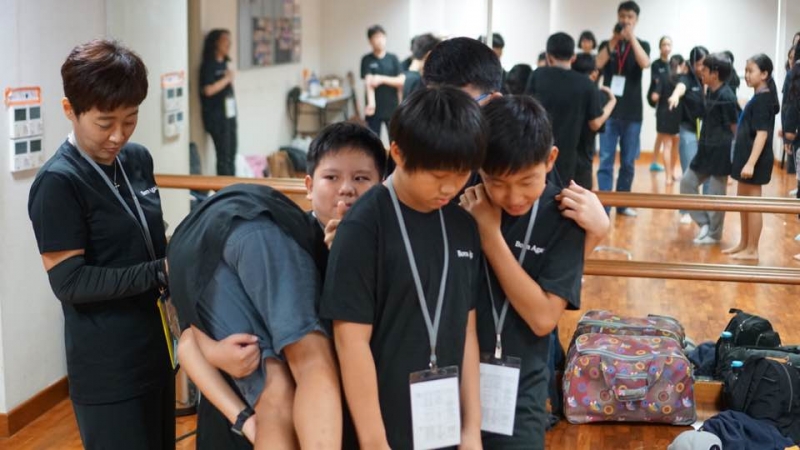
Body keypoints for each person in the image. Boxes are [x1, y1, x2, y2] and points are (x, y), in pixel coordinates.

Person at [172, 122, 387, 449]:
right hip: (239, 422)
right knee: (306, 364)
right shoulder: (281, 237)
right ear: (309, 186)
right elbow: (188, 339)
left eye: (361, 178)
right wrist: (216, 354)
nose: (346, 189)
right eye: (332, 178)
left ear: (381, 186)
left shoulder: (387, 252)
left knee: (283, 384)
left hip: (304, 422)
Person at [320, 87, 486, 449]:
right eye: (437, 174)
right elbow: (351, 343)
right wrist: (374, 442)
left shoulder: (463, 225)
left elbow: (468, 330)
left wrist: (472, 429)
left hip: (445, 427)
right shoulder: (364, 226)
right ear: (397, 153)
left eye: (461, 174)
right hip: (383, 431)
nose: (449, 187)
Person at [28, 39, 173, 450]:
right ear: (69, 110)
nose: (118, 136)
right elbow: (69, 282)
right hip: (108, 368)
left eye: (130, 119)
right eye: (104, 122)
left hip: (158, 348)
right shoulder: (58, 182)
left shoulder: (137, 159)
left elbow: (146, 239)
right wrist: (160, 271)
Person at [460, 95, 585, 450]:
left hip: (519, 393)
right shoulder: (460, 203)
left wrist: (489, 235)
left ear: (550, 160)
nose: (513, 196)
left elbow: (543, 318)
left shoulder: (565, 217)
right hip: (447, 381)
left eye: (527, 181)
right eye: (497, 182)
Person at [526, 32, 614, 186]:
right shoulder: (586, 84)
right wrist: (612, 102)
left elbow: (526, 109)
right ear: (573, 57)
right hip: (572, 161)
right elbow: (595, 123)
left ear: (548, 57)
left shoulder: (537, 75)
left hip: (539, 154)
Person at [595, 0, 651, 217]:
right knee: (605, 160)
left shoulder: (642, 44)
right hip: (608, 111)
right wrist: (615, 39)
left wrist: (631, 37)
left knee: (628, 162)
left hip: (633, 114)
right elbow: (598, 64)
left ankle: (622, 204)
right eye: (623, 16)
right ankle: (604, 206)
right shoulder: (608, 44)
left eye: (630, 17)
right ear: (618, 17)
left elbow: (645, 63)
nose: (626, 20)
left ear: (636, 20)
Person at [723, 54, 779, 261]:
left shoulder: (763, 100)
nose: (746, 75)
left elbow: (762, 134)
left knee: (753, 205)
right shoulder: (758, 97)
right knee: (743, 202)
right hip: (745, 158)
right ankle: (744, 243)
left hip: (754, 161)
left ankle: (753, 249)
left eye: (750, 71)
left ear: (764, 74)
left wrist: (750, 163)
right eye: (745, 71)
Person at [679, 53, 739, 245]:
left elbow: (734, 128)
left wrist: (733, 157)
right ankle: (705, 224)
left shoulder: (727, 96)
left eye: (704, 69)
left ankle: (714, 234)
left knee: (716, 195)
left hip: (720, 153)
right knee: (686, 183)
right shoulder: (710, 91)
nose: (701, 71)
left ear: (715, 73)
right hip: (705, 151)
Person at [572, 53, 615, 189]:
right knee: (581, 192)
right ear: (594, 73)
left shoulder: (564, 88)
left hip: (561, 153)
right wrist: (612, 102)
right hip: (583, 156)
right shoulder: (593, 92)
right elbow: (596, 123)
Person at [200, 29, 238, 176]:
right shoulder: (209, 65)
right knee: (223, 157)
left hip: (230, 115)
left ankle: (233, 184)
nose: (229, 43)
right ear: (216, 43)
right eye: (225, 40)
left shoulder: (225, 63)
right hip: (217, 118)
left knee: (231, 153)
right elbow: (208, 90)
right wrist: (227, 79)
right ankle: (225, 187)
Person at [362, 25, 403, 136]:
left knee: (395, 139)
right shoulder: (367, 59)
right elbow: (368, 82)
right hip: (374, 110)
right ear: (370, 41)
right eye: (376, 37)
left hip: (392, 108)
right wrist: (371, 104)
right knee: (372, 139)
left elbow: (401, 81)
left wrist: (381, 79)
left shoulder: (393, 58)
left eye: (381, 36)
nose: (379, 40)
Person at [651, 54, 685, 185]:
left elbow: (655, 96)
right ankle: (672, 172)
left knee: (667, 146)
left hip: (664, 114)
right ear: (681, 65)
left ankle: (668, 177)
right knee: (675, 146)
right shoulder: (683, 79)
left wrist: (654, 92)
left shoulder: (663, 77)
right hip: (678, 114)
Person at [647, 36, 673, 172]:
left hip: (672, 103)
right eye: (664, 44)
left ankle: (654, 161)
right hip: (661, 104)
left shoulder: (673, 64)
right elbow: (657, 82)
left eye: (669, 44)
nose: (666, 47)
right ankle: (655, 162)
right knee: (662, 134)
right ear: (660, 47)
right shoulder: (656, 64)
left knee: (661, 135)